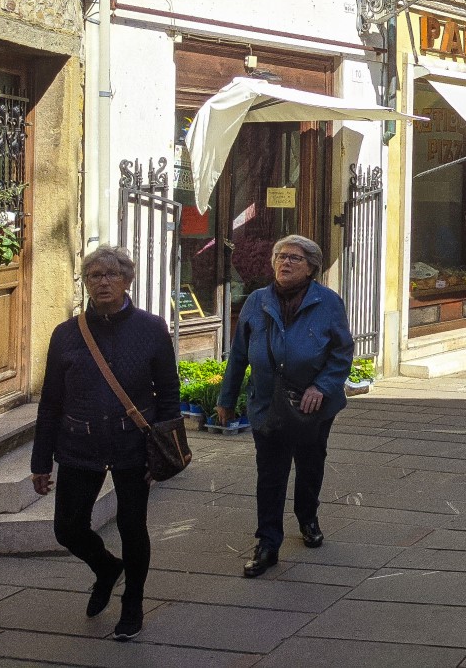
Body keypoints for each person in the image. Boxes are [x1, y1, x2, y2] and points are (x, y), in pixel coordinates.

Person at [30, 245, 181, 642]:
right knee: (67, 529)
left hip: (134, 446)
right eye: (95, 276)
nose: (103, 283)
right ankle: (105, 568)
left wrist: (162, 448)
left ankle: (133, 604)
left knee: (133, 527)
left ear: (128, 281)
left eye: (112, 275)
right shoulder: (66, 334)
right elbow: (50, 402)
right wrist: (40, 460)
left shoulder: (151, 329)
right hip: (80, 444)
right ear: (86, 282)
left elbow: (168, 392)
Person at [217, 235, 354, 579]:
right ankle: (268, 543)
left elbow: (341, 352)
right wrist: (226, 398)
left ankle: (307, 517)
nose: (285, 262)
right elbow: (238, 355)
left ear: (311, 267)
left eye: (294, 258)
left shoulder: (328, 302)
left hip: (312, 405)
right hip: (267, 402)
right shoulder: (257, 301)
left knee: (310, 466)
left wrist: (321, 387)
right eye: (280, 256)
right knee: (271, 474)